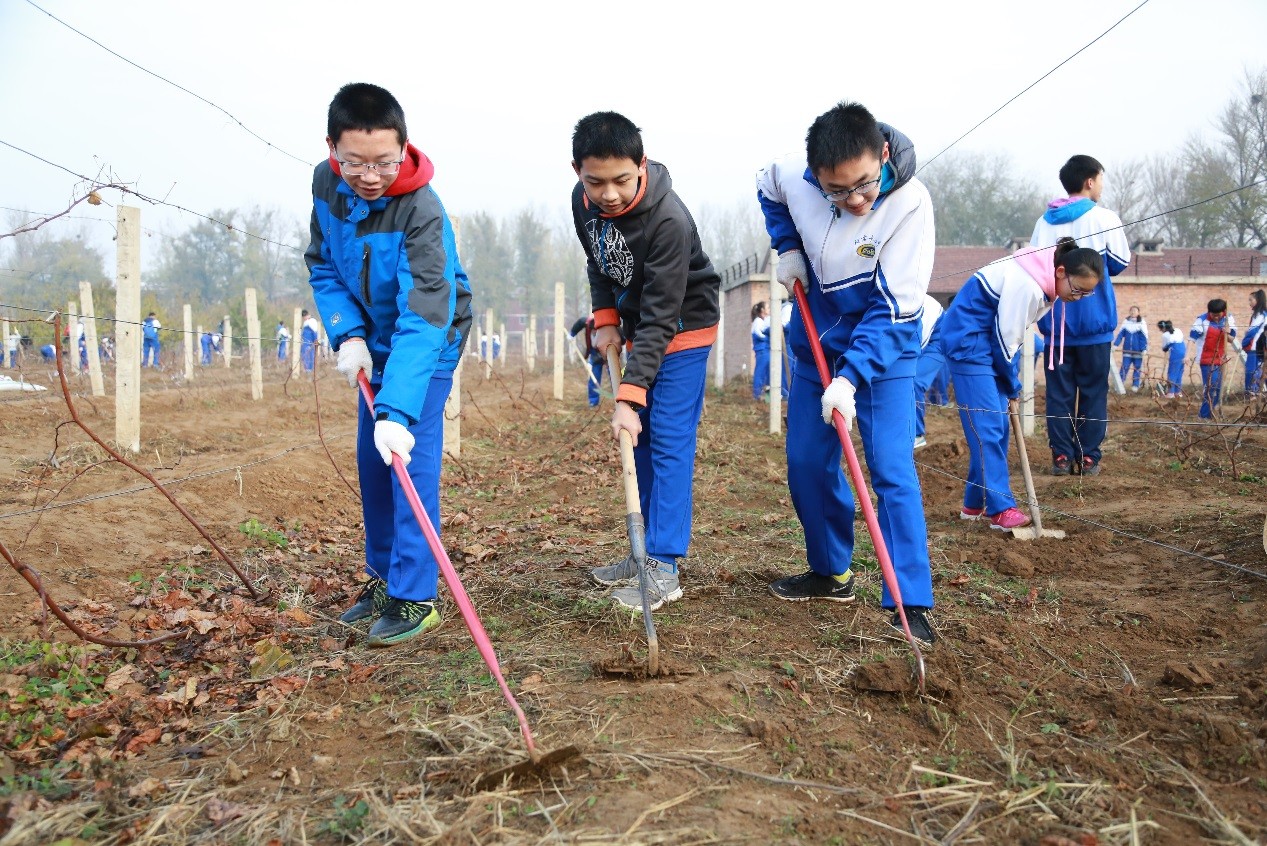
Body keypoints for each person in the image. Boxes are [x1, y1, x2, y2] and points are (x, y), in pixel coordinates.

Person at [756, 101, 936, 644]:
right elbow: (768, 188)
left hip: (887, 350)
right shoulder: (793, 176)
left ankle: (910, 602)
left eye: (864, 183)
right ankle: (831, 571)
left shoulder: (909, 205)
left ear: (882, 154)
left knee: (890, 468)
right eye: (838, 191)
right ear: (816, 175)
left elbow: (892, 308)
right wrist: (788, 247)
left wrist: (853, 378)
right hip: (816, 346)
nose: (855, 200)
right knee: (808, 461)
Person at [307, 82, 472, 647]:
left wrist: (397, 408)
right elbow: (322, 264)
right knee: (371, 462)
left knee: (407, 457)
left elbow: (426, 312)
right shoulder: (327, 185)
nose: (370, 175)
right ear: (333, 148)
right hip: (371, 341)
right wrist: (345, 333)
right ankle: (381, 579)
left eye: (385, 162)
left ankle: (415, 594)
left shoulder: (422, 210)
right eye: (354, 161)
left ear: (404, 147)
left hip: (428, 339)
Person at [571, 111, 720, 612]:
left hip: (682, 326)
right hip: (639, 328)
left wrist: (628, 398)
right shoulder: (583, 203)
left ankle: (664, 563)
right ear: (578, 172)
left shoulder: (668, 220)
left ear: (641, 163)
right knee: (643, 438)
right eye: (596, 182)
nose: (608, 193)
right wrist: (606, 316)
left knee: (669, 439)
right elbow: (599, 263)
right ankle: (641, 555)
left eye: (620, 180)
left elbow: (661, 316)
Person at [942, 238, 1104, 529]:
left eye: (1086, 294)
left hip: (984, 340)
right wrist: (1010, 382)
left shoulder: (1043, 282)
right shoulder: (1028, 284)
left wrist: (1008, 381)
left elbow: (1008, 339)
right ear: (1061, 272)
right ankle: (1000, 510)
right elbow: (1007, 339)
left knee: (996, 427)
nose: (1078, 297)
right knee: (988, 427)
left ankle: (974, 504)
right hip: (968, 341)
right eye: (1077, 289)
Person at [1030, 155, 1131, 477]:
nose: (1101, 185)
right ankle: (1088, 457)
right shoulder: (1104, 217)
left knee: (1058, 395)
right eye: (1101, 178)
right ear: (1090, 181)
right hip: (1094, 324)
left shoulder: (1044, 222)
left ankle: (1060, 457)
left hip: (1055, 326)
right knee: (1093, 393)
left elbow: (1036, 268)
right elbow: (1117, 263)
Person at [1190, 299, 1236, 419]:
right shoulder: (1201, 320)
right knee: (1211, 387)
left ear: (1224, 312)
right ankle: (1203, 416)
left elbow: (1231, 339)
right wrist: (1186, 355)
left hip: (1221, 358)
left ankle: (1209, 413)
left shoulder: (1228, 319)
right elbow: (1192, 339)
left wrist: (1228, 332)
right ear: (1209, 312)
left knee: (1219, 389)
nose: (1216, 318)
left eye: (1218, 315)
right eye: (1213, 315)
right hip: (1206, 359)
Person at [913, 295, 945, 449]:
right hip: (922, 333)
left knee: (914, 380)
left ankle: (916, 435)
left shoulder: (907, 304)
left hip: (937, 335)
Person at [570, 315, 606, 407]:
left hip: (609, 351)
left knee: (614, 375)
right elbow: (579, 324)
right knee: (593, 376)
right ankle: (593, 402)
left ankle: (620, 401)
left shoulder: (606, 329)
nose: (594, 332)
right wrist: (572, 334)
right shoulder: (587, 323)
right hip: (594, 352)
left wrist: (591, 361)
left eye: (596, 331)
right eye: (593, 330)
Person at [1113, 306, 1147, 392]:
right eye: (1131, 311)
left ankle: (1135, 385)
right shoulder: (1126, 322)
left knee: (1137, 368)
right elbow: (1120, 335)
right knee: (1124, 367)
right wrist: (1115, 345)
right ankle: (1119, 385)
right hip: (1127, 350)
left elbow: (1143, 338)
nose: (1133, 312)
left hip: (1137, 351)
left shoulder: (1141, 323)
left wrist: (1143, 349)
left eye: (1135, 311)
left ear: (1138, 312)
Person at [1241, 289, 1266, 394]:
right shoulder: (1264, 313)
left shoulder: (1259, 314)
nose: (1249, 303)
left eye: (1251, 300)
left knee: (1251, 370)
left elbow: (1252, 331)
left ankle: (1252, 392)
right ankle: (1257, 392)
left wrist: (1244, 342)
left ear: (1258, 300)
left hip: (1255, 347)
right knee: (1260, 369)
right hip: (1261, 347)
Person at [1158, 320, 1186, 398]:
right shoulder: (1178, 330)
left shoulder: (1165, 335)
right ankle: (1178, 392)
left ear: (1163, 329)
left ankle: (1170, 393)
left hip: (1175, 353)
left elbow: (1164, 348)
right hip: (1183, 352)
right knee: (1179, 373)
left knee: (1172, 373)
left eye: (1160, 329)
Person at [751, 301, 771, 401]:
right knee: (760, 372)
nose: (770, 309)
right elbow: (759, 335)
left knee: (767, 374)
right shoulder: (758, 321)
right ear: (762, 310)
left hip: (766, 350)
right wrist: (769, 337)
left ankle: (766, 397)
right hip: (762, 350)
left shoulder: (764, 321)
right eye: (768, 307)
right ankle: (757, 395)